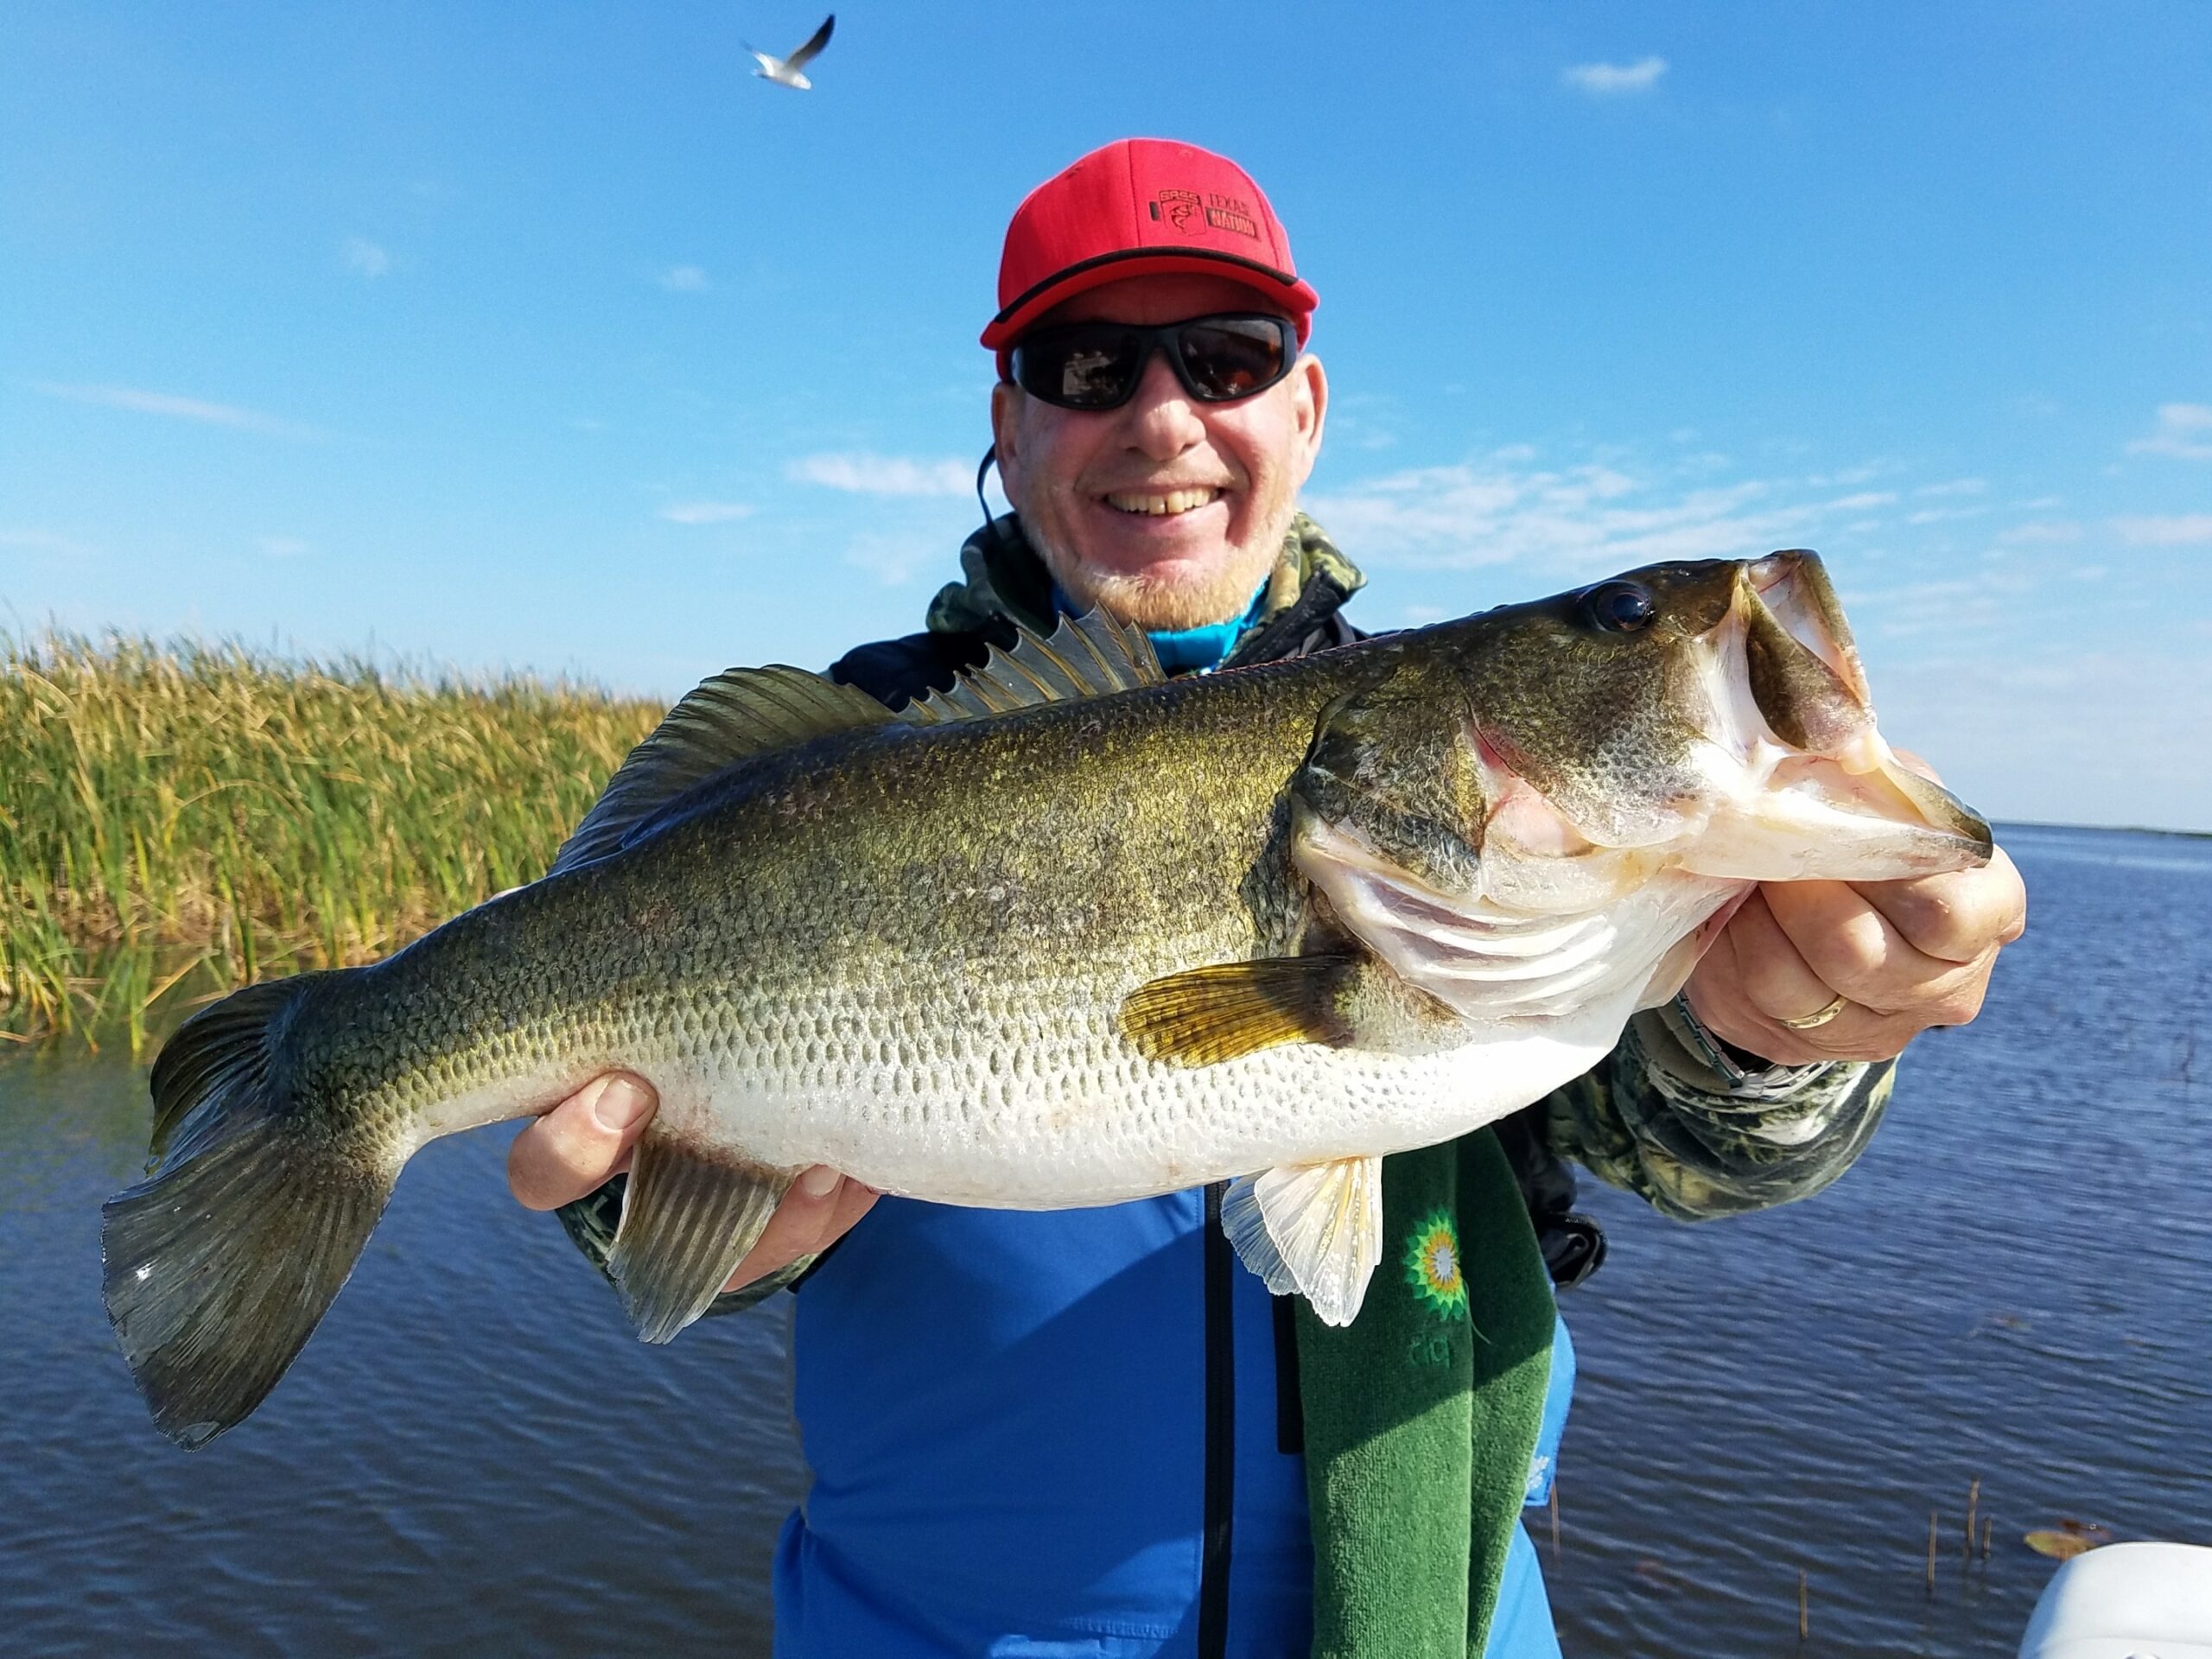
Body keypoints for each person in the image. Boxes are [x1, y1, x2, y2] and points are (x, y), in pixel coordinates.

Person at [507, 139, 2027, 1657]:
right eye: (1087, 360)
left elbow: (1696, 1141)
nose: (1162, 415)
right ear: (1009, 421)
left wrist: (1788, 1032)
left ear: (1303, 409)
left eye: (1227, 357)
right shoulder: (848, 747)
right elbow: (627, 1191)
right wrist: (659, 1216)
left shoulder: (1483, 799)